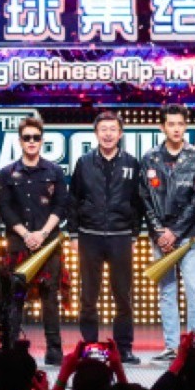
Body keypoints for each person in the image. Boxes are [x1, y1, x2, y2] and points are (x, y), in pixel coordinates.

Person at [69, 111, 144, 365]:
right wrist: (73, 233)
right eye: (103, 129)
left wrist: (134, 233)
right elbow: (73, 199)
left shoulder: (132, 163)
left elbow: (137, 201)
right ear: (96, 133)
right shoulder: (84, 162)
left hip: (121, 236)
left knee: (123, 296)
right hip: (89, 235)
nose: (108, 134)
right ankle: (90, 346)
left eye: (113, 129)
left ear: (120, 133)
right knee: (88, 296)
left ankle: (124, 348)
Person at [0, 115, 70, 365]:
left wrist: (42, 234)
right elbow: (5, 209)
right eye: (26, 137)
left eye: (35, 137)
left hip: (48, 243)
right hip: (19, 243)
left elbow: (61, 206)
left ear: (41, 140)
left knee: (50, 297)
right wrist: (26, 234)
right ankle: (11, 349)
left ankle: (54, 350)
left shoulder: (54, 171)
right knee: (15, 298)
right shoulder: (6, 173)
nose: (31, 141)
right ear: (20, 141)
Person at [140, 104, 195, 362]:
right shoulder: (150, 157)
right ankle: (171, 345)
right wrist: (160, 232)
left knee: (193, 289)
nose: (176, 129)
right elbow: (145, 198)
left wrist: (176, 232)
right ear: (163, 127)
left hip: (189, 236)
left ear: (186, 126)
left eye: (180, 124)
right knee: (167, 292)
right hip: (161, 237)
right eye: (171, 124)